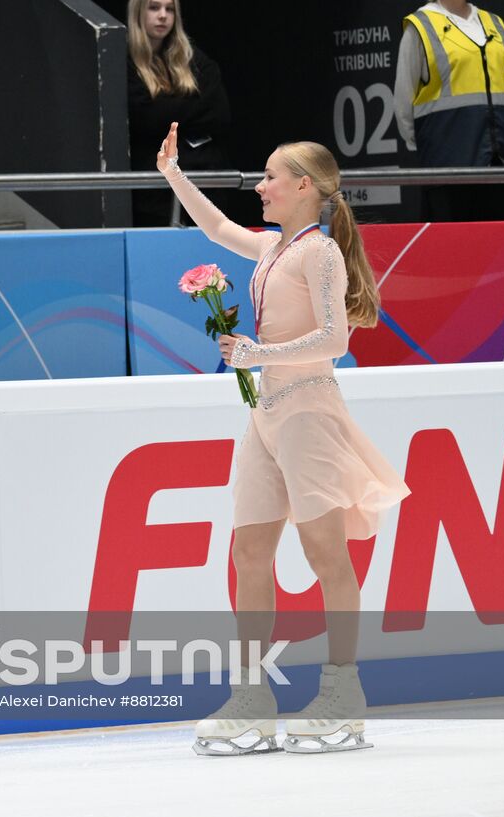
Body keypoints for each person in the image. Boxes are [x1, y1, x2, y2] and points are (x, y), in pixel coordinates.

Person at [157, 123, 410, 756]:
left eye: (271, 176)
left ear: (303, 186)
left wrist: (256, 351)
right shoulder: (274, 247)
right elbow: (217, 230)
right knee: (249, 550)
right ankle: (252, 697)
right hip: (268, 413)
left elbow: (335, 340)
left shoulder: (319, 252)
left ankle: (343, 691)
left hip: (308, 411)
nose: (261, 186)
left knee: (327, 555)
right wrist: (173, 175)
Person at [395, 0, 504, 222]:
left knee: (496, 248)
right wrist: (428, 148)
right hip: (446, 162)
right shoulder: (422, 26)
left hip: (497, 160)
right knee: (454, 251)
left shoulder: (493, 22)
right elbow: (403, 100)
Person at [126, 0, 231, 227]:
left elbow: (219, 113)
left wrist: (166, 107)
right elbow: (146, 119)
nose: (163, 15)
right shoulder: (124, 58)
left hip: (203, 183)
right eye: (154, 7)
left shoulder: (192, 57)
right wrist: (193, 104)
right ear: (138, 11)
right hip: (153, 195)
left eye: (169, 9)